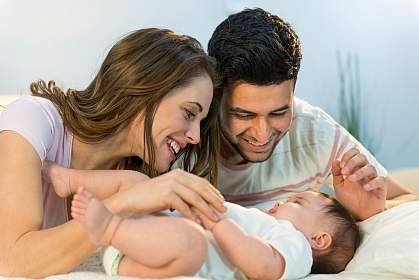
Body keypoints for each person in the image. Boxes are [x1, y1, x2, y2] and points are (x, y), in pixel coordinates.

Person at [0, 28, 226, 277]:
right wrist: (124, 203)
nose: (195, 135)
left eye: (200, 122)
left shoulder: (131, 177)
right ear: (143, 89)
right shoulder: (33, 119)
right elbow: (12, 262)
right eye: (189, 113)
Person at [207, 8, 418, 219]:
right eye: (244, 115)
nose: (262, 134)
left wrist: (372, 210)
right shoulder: (186, 134)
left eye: (278, 113)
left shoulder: (314, 132)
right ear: (216, 94)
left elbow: (409, 202)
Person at [44, 163, 361, 279]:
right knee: (139, 182)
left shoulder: (297, 248)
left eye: (297, 202)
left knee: (192, 243)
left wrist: (214, 220)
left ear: (319, 239)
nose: (282, 202)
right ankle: (66, 179)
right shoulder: (271, 225)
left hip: (152, 256)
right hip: (151, 232)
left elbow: (263, 267)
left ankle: (109, 229)